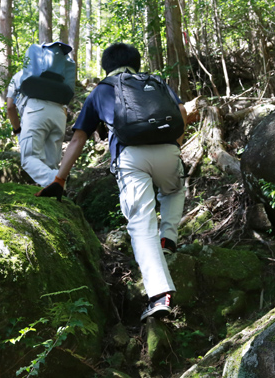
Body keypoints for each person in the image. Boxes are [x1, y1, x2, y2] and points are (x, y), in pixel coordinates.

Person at [39, 43, 187, 321]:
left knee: (141, 224)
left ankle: (159, 295)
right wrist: (176, 147)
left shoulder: (101, 90)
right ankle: (168, 238)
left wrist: (60, 178)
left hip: (130, 157)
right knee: (174, 189)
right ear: (137, 63)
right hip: (169, 151)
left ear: (106, 66)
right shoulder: (156, 82)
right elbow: (181, 113)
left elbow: (79, 138)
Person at [6, 42, 73, 189]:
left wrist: (18, 130)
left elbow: (10, 107)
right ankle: (56, 196)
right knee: (51, 163)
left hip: (35, 110)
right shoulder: (60, 82)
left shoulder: (19, 77)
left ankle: (55, 185)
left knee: (29, 158)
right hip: (59, 114)